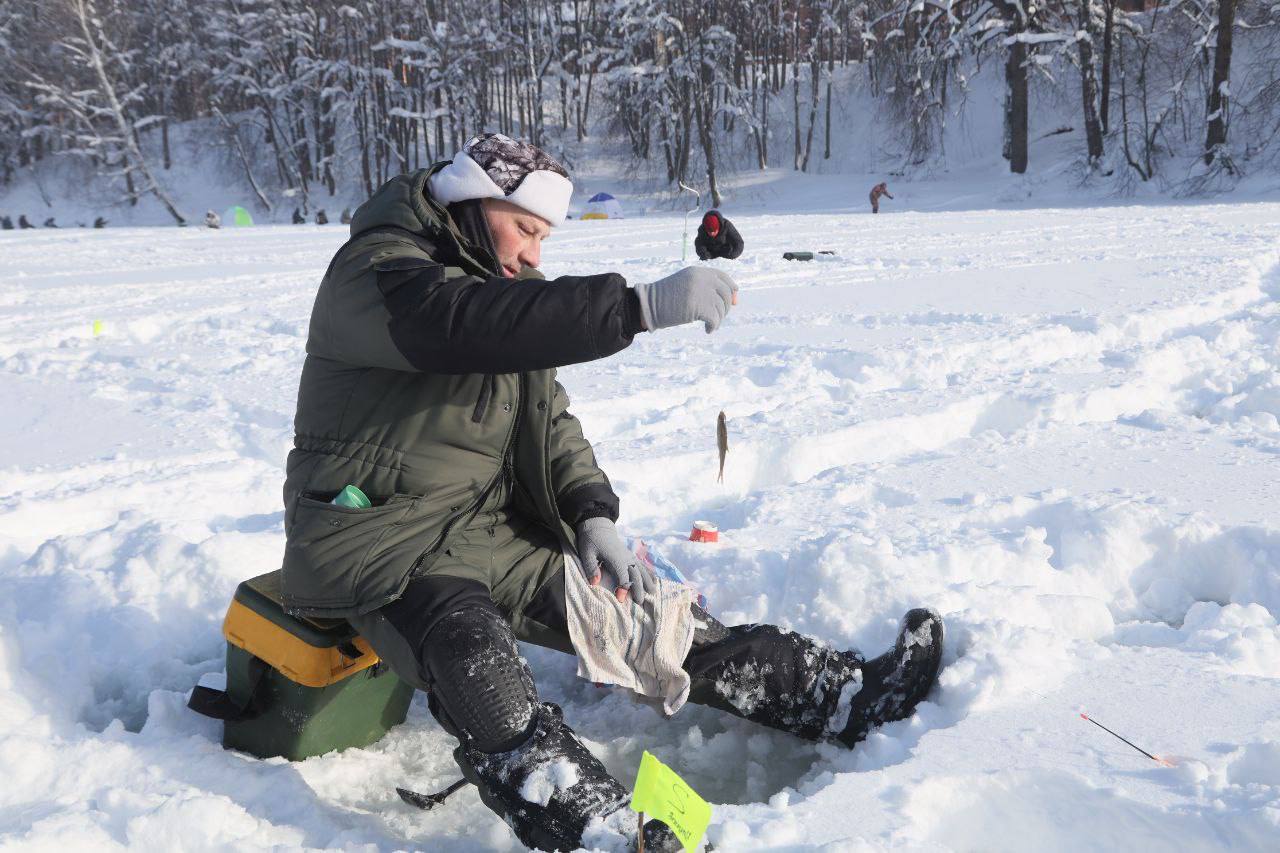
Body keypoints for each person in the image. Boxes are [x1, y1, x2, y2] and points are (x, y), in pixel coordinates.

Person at [283, 132, 943, 852]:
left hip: (484, 530)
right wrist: (634, 307)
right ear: (475, 201)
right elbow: (459, 326)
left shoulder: (505, 289)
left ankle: (840, 694)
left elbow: (549, 419)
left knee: (648, 617)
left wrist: (592, 515)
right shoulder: (380, 271)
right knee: (478, 663)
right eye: (526, 228)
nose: (535, 252)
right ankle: (603, 834)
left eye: (543, 236)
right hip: (380, 540)